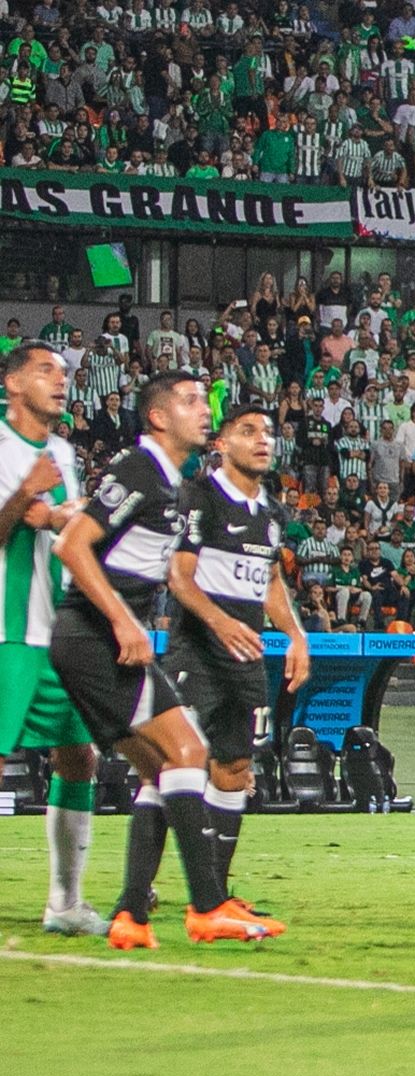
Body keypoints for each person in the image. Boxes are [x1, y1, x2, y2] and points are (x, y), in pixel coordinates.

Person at [50, 371, 279, 946]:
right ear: (157, 416)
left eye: (205, 400)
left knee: (162, 768)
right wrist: (126, 621)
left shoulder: (168, 480)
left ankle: (132, 914)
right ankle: (208, 906)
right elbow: (71, 546)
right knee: (190, 750)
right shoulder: (141, 468)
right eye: (189, 400)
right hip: (95, 638)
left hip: (91, 642)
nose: (204, 410)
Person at [112, 404, 313, 947]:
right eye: (248, 431)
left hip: (244, 659)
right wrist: (221, 622)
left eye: (267, 432)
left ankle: (215, 899)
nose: (262, 440)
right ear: (220, 443)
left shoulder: (270, 513)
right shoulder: (198, 497)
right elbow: (179, 578)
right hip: (196, 652)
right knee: (171, 767)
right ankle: (133, 901)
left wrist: (296, 636)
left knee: (234, 768)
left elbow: (270, 581)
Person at [0, 340, 110, 937]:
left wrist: (72, 513)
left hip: (57, 630)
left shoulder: (64, 451)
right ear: (14, 384)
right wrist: (24, 498)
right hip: (5, 632)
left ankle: (65, 903)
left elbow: (62, 527)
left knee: (79, 755)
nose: (61, 381)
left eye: (65, 374)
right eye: (46, 370)